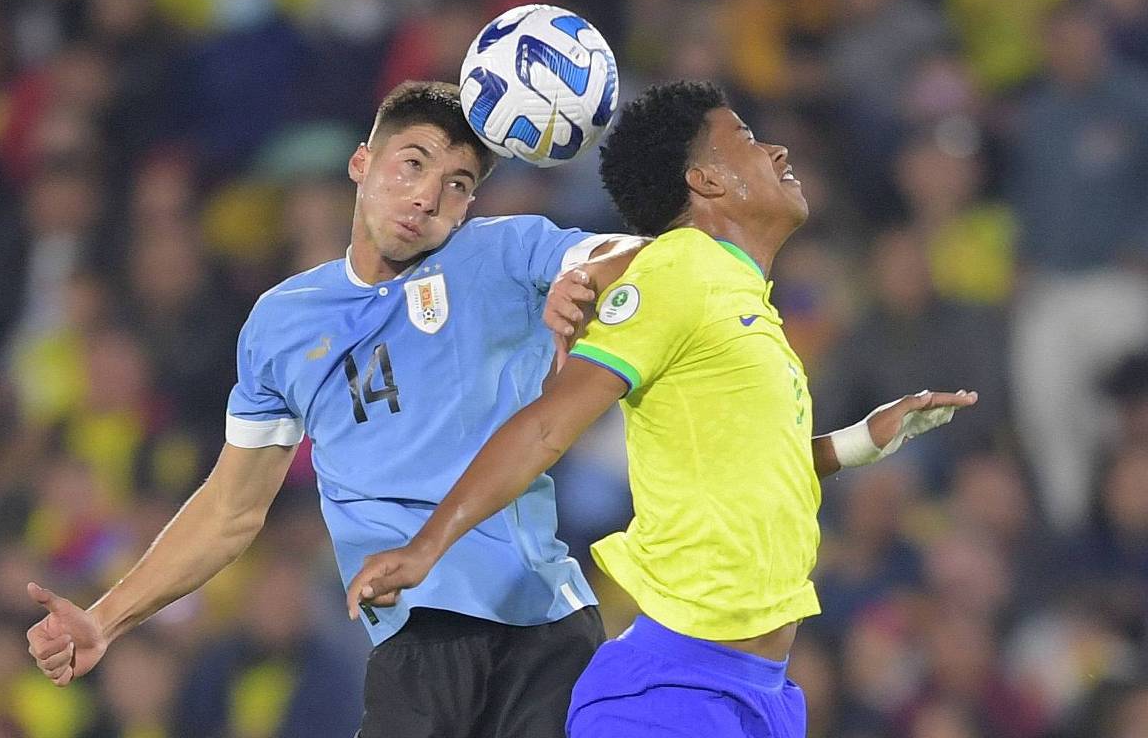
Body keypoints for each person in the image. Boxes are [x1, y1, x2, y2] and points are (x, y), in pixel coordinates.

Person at [346, 81, 979, 738]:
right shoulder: (680, 271)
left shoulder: (741, 300)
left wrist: (860, 442)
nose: (779, 149)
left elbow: (755, 469)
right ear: (705, 180)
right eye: (748, 138)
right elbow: (545, 426)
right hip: (671, 692)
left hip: (761, 694)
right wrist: (425, 549)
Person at [25, 80, 641, 738]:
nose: (428, 197)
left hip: (543, 628)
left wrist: (580, 280)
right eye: (412, 163)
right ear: (362, 163)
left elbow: (627, 256)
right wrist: (107, 617)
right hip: (419, 639)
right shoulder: (282, 323)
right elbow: (232, 510)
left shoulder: (496, 254)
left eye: (458, 184)